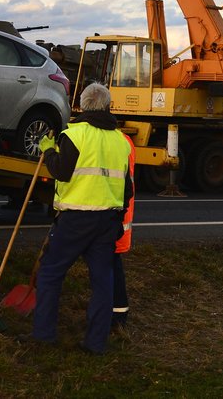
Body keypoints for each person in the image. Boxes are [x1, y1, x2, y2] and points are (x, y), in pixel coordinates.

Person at [28, 82, 132, 355]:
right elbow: (127, 188)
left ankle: (44, 335)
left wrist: (48, 149)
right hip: (107, 220)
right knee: (102, 281)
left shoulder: (74, 135)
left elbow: (61, 172)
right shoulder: (121, 142)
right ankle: (96, 343)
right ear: (108, 106)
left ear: (82, 106)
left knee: (51, 273)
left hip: (75, 218)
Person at [113, 132, 137, 332]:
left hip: (105, 218)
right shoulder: (125, 140)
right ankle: (118, 314)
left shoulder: (89, 138)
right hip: (119, 219)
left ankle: (114, 316)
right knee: (112, 267)